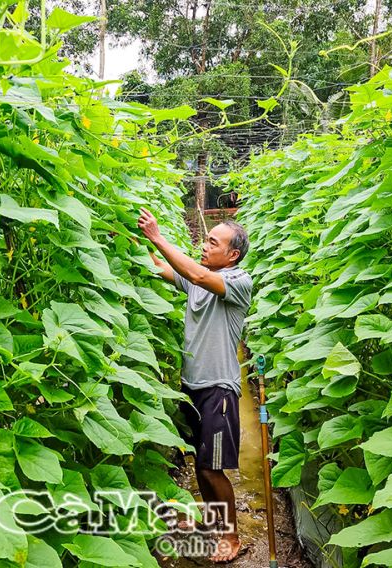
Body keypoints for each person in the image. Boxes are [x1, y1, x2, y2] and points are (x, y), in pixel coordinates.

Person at [137, 208, 253, 563]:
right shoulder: (198, 279)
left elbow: (199, 276)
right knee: (200, 465)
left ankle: (230, 536)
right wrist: (134, 241)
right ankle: (213, 524)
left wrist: (159, 236)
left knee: (210, 467)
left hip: (219, 389)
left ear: (232, 254)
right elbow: (163, 268)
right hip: (193, 387)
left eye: (212, 242)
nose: (205, 246)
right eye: (205, 240)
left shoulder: (238, 281)